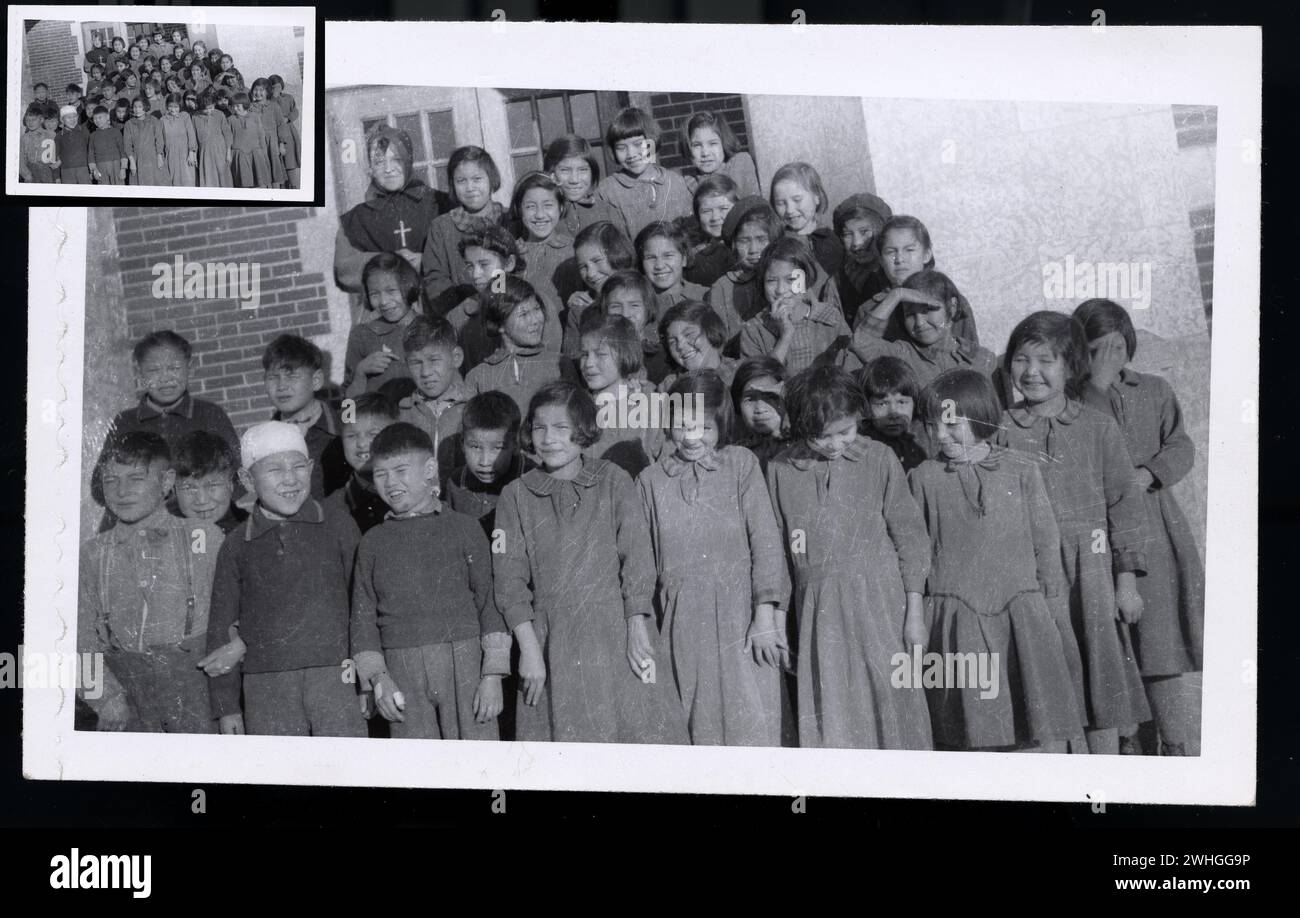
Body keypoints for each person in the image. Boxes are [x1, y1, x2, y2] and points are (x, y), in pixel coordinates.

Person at [491, 381, 689, 743]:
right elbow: (509, 582)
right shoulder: (515, 496)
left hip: (619, 631)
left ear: (582, 431)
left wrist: (636, 623)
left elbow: (637, 557)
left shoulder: (613, 479)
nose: (548, 438)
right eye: (539, 427)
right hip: (556, 643)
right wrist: (531, 651)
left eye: (561, 428)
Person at [993, 311, 1152, 755]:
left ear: (1071, 366)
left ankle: (1104, 775)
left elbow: (1124, 504)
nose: (1031, 372)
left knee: (1101, 688)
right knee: (1046, 684)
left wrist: (1126, 583)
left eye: (1046, 360)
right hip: (1033, 580)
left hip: (1093, 576)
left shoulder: (1098, 427)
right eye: (1021, 360)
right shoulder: (1002, 430)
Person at [909, 369, 1085, 751]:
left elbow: (1045, 539)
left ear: (980, 416)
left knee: (1029, 724)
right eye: (931, 425)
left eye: (951, 424)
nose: (940, 436)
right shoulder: (923, 477)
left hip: (1019, 611)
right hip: (957, 616)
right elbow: (916, 551)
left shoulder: (1022, 468)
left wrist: (1052, 607)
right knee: (974, 729)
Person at [765, 365, 933, 748]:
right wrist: (777, 621)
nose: (835, 445)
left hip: (883, 605)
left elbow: (910, 539)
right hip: (818, 615)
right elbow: (779, 551)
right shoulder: (779, 470)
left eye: (845, 432)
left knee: (894, 712)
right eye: (820, 437)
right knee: (835, 720)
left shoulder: (879, 458)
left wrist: (915, 616)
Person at [1073, 298, 1204, 756]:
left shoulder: (1155, 388)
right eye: (1095, 349)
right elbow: (1089, 441)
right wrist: (1097, 384)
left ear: (1129, 345)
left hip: (1154, 524)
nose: (1107, 358)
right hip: (1096, 526)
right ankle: (1128, 741)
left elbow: (1181, 446)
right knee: (1111, 643)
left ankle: (1177, 744)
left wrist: (1149, 473)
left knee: (1159, 640)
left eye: (1115, 347)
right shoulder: (1072, 399)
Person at [638, 370, 792, 746]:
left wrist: (765, 615)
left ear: (721, 425)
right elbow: (643, 565)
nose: (692, 437)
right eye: (681, 425)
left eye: (704, 427)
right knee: (697, 724)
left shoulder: (740, 464)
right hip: (683, 623)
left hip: (744, 618)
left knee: (755, 723)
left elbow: (766, 541)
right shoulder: (650, 481)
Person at [352, 423, 514, 739]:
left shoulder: (465, 529)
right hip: (402, 669)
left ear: (429, 469)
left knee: (479, 759)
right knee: (418, 769)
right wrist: (378, 678)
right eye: (381, 473)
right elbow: (362, 620)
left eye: (400, 470)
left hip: (465, 664)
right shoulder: (371, 543)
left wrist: (493, 675)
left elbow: (489, 603)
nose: (390, 483)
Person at [205, 422, 367, 737]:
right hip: (266, 686)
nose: (290, 479)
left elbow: (362, 606)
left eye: (297, 467)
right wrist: (227, 706)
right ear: (247, 479)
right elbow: (221, 626)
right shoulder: (237, 544)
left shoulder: (338, 525)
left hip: (336, 676)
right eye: (275, 471)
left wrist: (368, 680)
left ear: (310, 467)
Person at [78, 431, 224, 734]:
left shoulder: (204, 538)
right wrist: (105, 699)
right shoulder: (91, 555)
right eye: (111, 480)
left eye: (136, 478)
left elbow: (235, 621)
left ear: (167, 482)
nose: (122, 491)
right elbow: (77, 643)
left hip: (196, 699)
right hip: (128, 704)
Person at [335, 125, 443, 293]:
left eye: (397, 159)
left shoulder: (439, 203)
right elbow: (344, 270)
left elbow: (464, 255)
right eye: (379, 162)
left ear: (408, 160)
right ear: (370, 167)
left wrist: (428, 261)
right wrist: (388, 262)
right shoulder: (356, 219)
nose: (388, 169)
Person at [849, 270, 996, 390]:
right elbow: (861, 342)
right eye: (910, 314)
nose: (919, 323)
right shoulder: (901, 355)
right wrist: (896, 295)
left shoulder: (981, 358)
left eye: (927, 310)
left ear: (952, 307)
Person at [738, 236, 854, 374]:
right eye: (771, 280)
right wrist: (785, 335)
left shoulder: (830, 318)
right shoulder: (754, 331)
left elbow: (850, 369)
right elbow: (759, 382)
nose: (780, 290)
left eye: (791, 279)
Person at [261, 334, 349, 499]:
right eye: (273, 377)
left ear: (316, 381)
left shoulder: (343, 427)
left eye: (292, 376)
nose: (281, 386)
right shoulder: (264, 441)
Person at [422, 146, 507, 315]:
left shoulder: (509, 219)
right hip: (463, 314)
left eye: (477, 179)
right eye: (461, 181)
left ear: (492, 179)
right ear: (452, 185)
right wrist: (460, 308)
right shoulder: (441, 227)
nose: (470, 187)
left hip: (507, 308)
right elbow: (435, 279)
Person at [464, 276, 564, 416]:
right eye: (523, 314)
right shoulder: (478, 377)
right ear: (498, 324)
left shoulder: (560, 364)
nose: (535, 320)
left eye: (536, 309)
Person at [595, 106, 693, 238]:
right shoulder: (607, 191)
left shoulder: (676, 182)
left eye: (637, 144)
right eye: (621, 148)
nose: (631, 154)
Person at [395, 316, 471, 485]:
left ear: (456, 357)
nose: (425, 372)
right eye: (416, 363)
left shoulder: (473, 408)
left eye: (434, 360)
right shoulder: (403, 413)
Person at [344, 253, 420, 397]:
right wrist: (360, 373)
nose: (383, 301)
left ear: (409, 287)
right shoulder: (361, 336)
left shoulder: (432, 328)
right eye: (374, 294)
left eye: (391, 291)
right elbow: (347, 407)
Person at [324, 392, 399, 534]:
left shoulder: (414, 496)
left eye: (373, 434)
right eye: (352, 436)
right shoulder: (332, 509)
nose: (362, 443)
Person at [770, 161, 843, 277]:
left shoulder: (832, 239)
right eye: (780, 203)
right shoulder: (779, 245)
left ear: (817, 197)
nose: (789, 210)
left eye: (797, 200)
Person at [858, 356, 931, 473]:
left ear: (914, 402)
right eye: (882, 404)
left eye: (902, 402)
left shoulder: (927, 439)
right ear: (866, 406)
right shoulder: (861, 443)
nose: (893, 414)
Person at [545, 134, 622, 237]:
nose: (574, 180)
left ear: (592, 172)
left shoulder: (608, 212)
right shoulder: (542, 214)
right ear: (552, 174)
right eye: (565, 170)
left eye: (583, 170)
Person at [680, 110, 761, 197]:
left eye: (713, 143)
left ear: (724, 143)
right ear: (688, 148)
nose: (705, 153)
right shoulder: (687, 185)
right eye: (697, 145)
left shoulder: (739, 166)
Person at [123, 96, 166, 186]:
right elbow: (127, 145)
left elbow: (159, 139)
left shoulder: (154, 121)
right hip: (137, 160)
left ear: (145, 107)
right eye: (135, 107)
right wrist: (132, 162)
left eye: (140, 107)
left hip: (152, 158)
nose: (137, 110)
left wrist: (159, 156)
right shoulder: (129, 124)